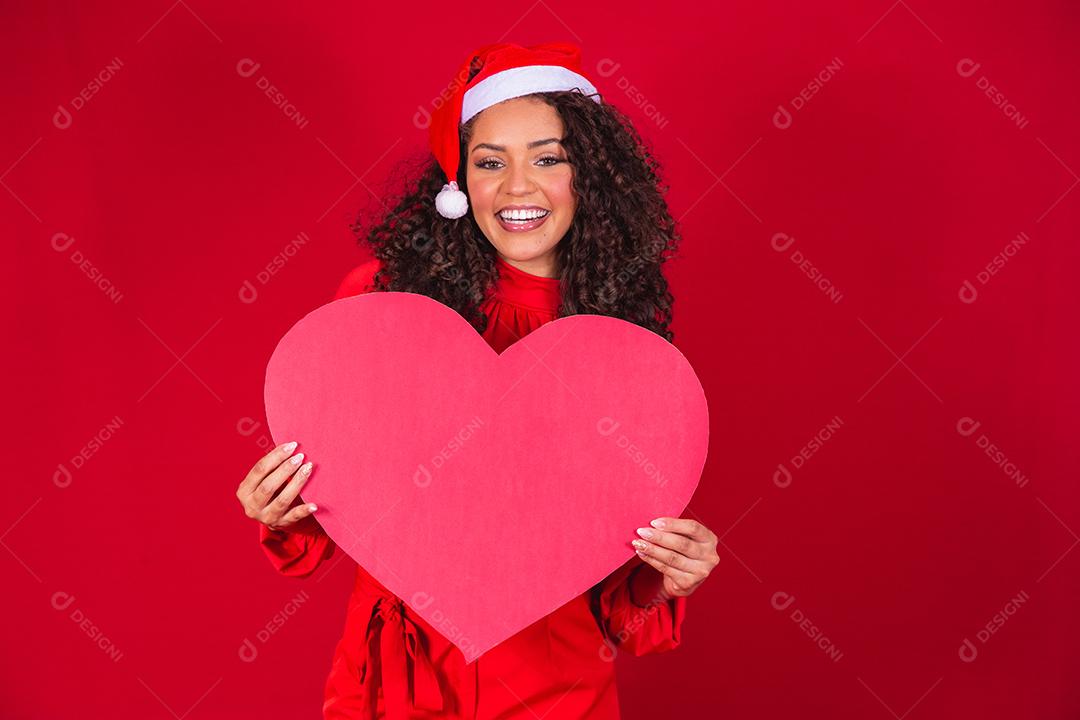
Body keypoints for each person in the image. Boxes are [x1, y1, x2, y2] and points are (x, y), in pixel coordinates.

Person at [236, 42, 720, 719]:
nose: (518, 187)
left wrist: (665, 575)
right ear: (459, 182)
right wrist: (283, 510)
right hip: (390, 688)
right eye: (491, 162)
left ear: (591, 177)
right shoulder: (382, 307)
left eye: (549, 158)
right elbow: (331, 518)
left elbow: (620, 615)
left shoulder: (622, 346)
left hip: (555, 694)